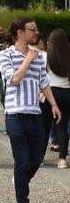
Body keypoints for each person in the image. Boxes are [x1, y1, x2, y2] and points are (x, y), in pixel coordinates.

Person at [0, 17, 61, 203]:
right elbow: (15, 79)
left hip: (35, 113)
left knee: (37, 158)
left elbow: (44, 81)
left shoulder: (40, 57)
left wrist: (54, 104)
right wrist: (27, 60)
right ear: (20, 33)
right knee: (22, 160)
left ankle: (20, 180)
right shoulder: (5, 55)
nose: (36, 33)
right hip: (15, 114)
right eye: (32, 30)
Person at [42, 29, 70, 169]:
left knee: (45, 126)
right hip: (66, 93)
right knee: (62, 127)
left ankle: (40, 157)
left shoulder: (45, 57)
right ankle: (62, 159)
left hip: (50, 93)